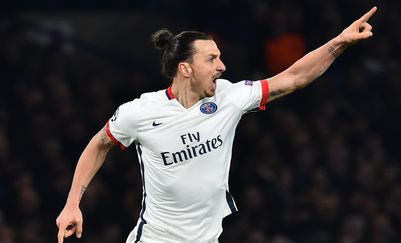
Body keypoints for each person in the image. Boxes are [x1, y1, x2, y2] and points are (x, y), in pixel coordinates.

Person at [56, 6, 377, 243]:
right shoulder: (139, 112)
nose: (222, 66)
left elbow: (293, 77)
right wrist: (73, 203)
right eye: (211, 59)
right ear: (185, 69)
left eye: (220, 57)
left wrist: (339, 42)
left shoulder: (230, 97)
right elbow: (100, 143)